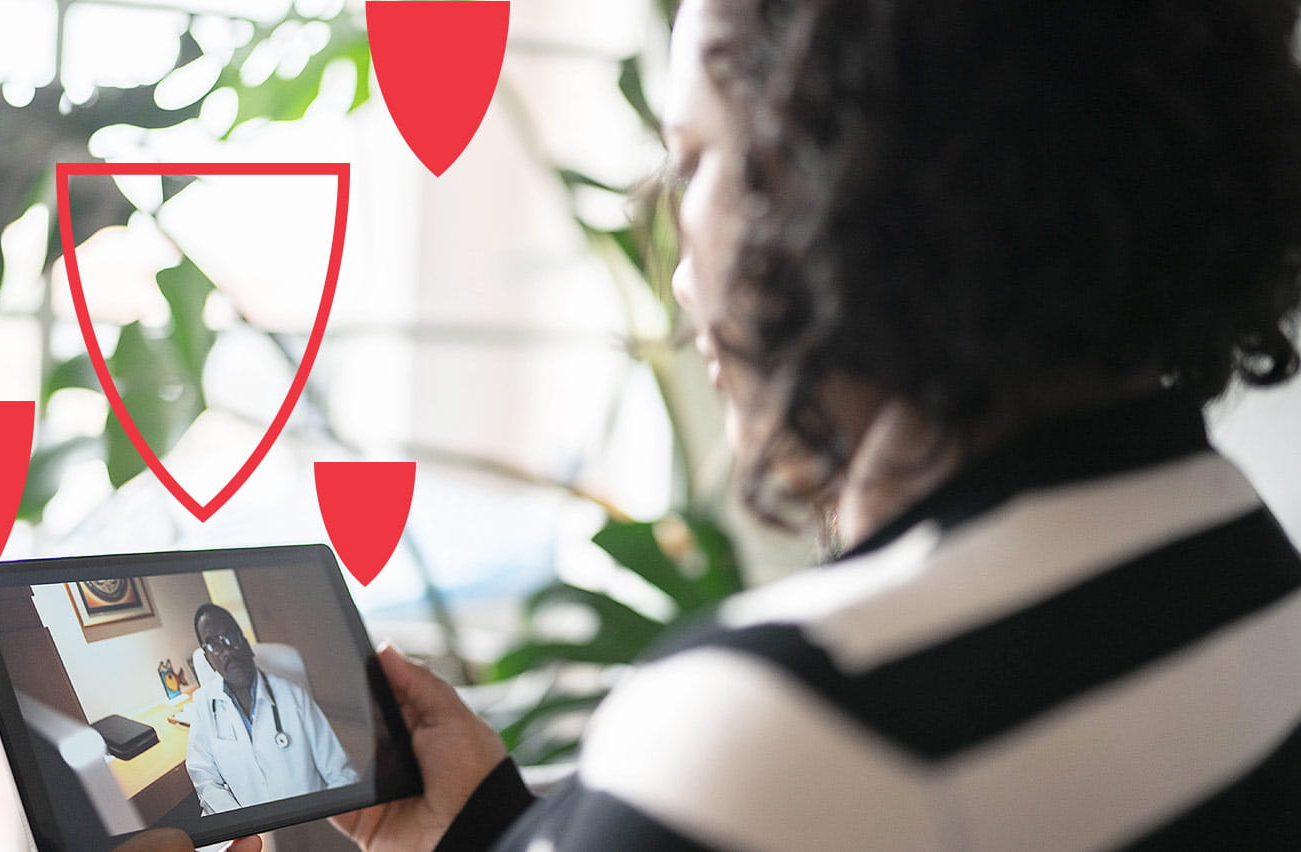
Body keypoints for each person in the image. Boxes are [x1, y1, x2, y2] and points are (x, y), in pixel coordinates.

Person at [135, 0, 1301, 849]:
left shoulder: (806, 711)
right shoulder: (1237, 557)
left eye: (692, 160)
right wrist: (493, 828)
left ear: (849, 201)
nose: (673, 248)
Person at [184, 604, 358, 814]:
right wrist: (239, 825)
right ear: (208, 659)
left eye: (232, 637)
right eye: (214, 644)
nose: (228, 650)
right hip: (254, 834)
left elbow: (340, 772)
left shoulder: (293, 695)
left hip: (311, 821)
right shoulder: (203, 704)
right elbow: (204, 778)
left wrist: (325, 818)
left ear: (246, 644)